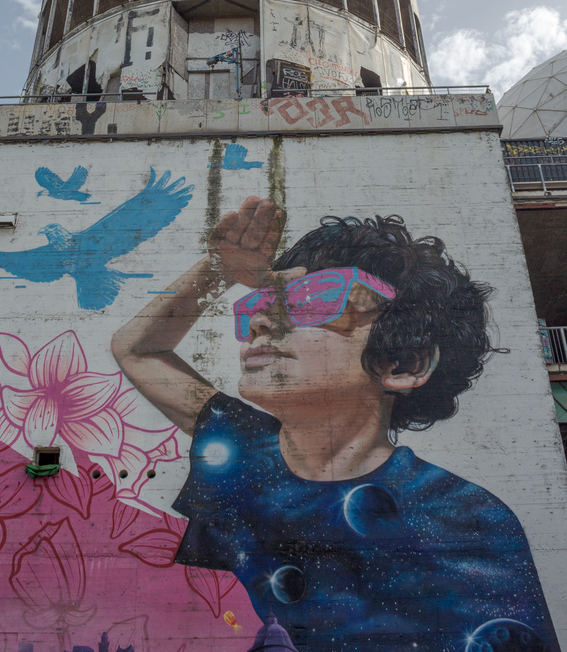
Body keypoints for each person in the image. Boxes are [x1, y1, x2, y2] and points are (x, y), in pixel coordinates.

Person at [111, 198, 558, 652]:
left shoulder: (467, 517)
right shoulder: (244, 447)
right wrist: (219, 269)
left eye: (314, 300)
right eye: (262, 303)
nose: (262, 322)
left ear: (402, 363)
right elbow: (138, 349)